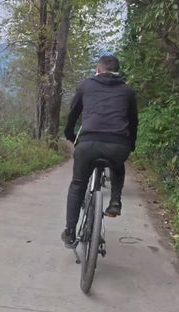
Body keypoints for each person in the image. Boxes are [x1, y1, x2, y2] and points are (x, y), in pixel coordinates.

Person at [61, 54, 138, 247]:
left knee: (78, 184)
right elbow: (133, 123)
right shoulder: (128, 92)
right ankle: (115, 202)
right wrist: (131, 144)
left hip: (87, 144)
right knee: (118, 166)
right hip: (118, 145)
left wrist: (70, 135)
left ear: (98, 69)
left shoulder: (86, 86)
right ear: (118, 70)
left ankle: (70, 231)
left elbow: (73, 115)